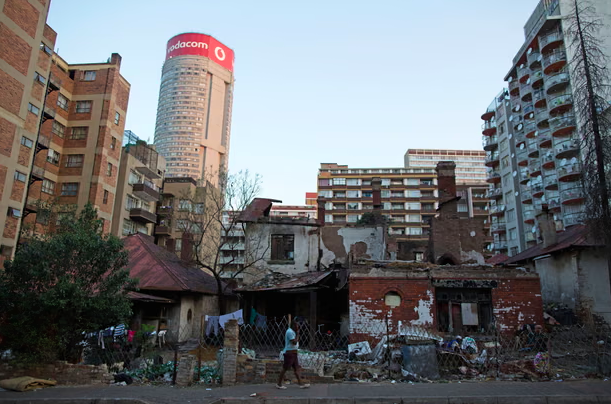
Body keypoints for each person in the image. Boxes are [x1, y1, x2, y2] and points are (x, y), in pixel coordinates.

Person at [276, 320, 310, 389]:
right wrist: (298, 334)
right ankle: (279, 384)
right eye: (297, 325)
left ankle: (301, 384)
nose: (298, 327)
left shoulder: (292, 331)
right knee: (285, 368)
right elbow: (294, 342)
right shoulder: (290, 332)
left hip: (294, 352)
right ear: (293, 326)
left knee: (296, 368)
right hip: (289, 353)